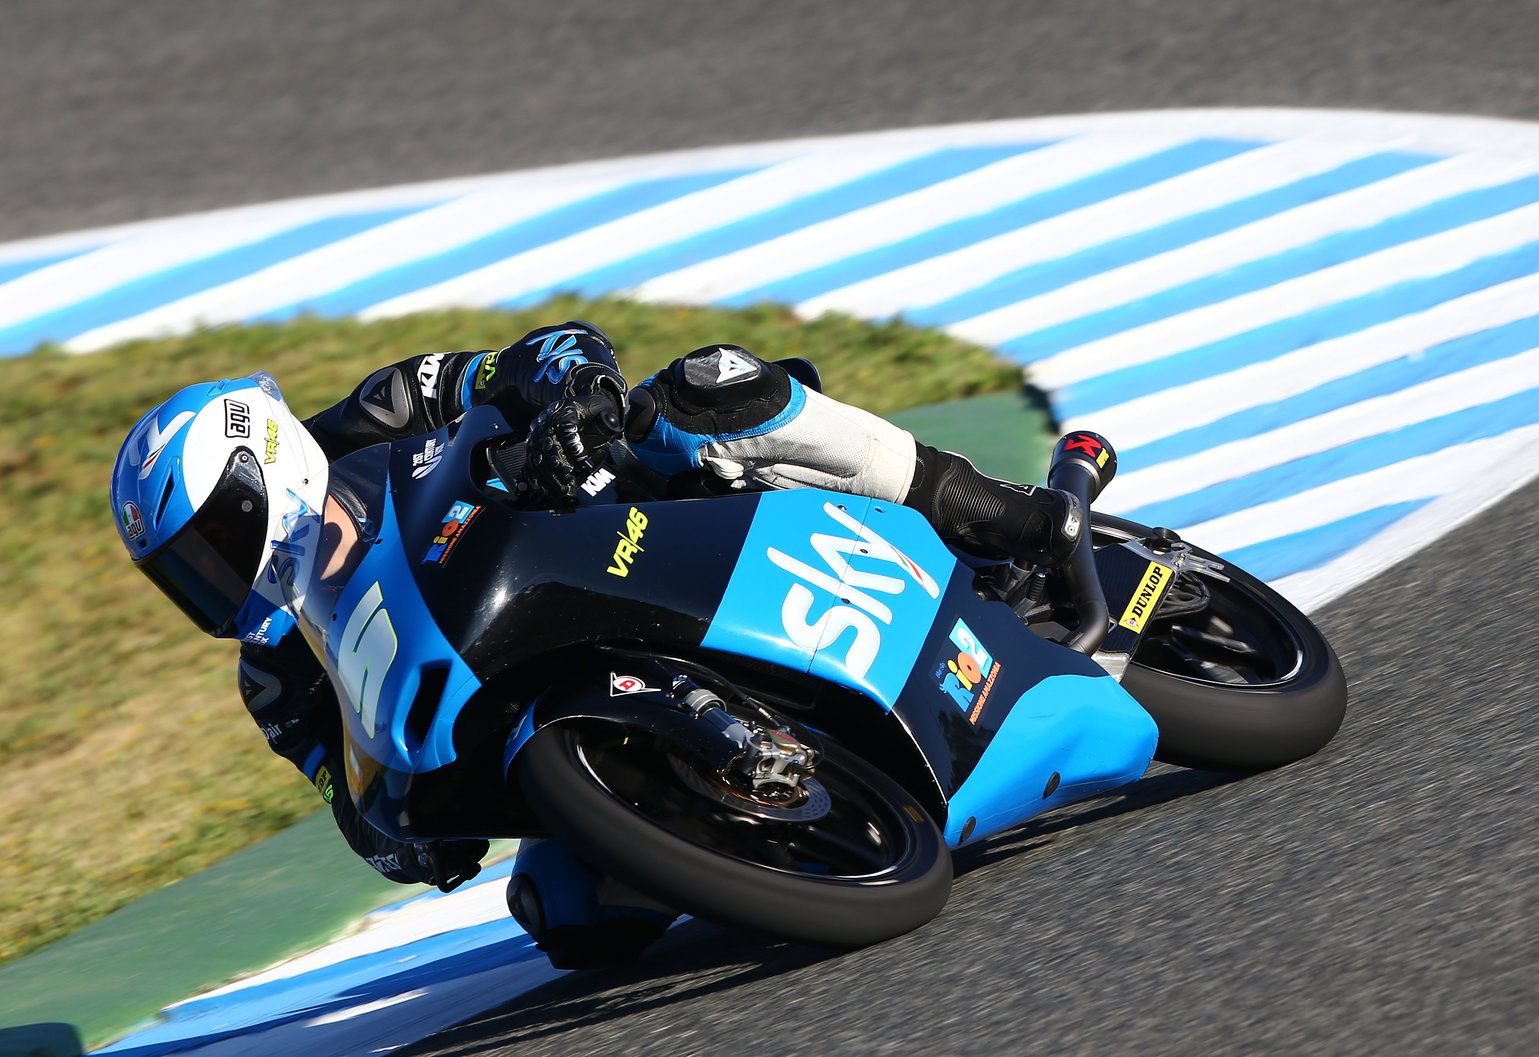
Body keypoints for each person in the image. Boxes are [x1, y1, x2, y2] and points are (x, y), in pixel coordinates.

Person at [109, 321, 1083, 969]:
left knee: (705, 390)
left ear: (263, 467)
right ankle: (774, 803)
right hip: (529, 677)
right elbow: (351, 800)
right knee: (568, 914)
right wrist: (412, 839)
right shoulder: (275, 668)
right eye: (187, 573)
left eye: (217, 540)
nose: (217, 579)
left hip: (633, 532)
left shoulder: (375, 415)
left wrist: (573, 400)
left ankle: (1001, 513)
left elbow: (537, 356)